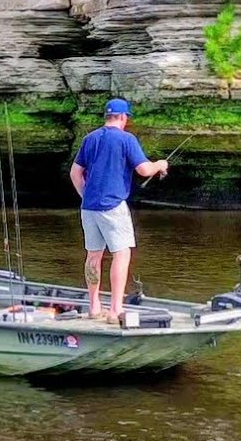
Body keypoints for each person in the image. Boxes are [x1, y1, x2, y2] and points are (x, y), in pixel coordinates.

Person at [69, 98, 169, 322]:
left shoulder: (90, 138)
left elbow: (75, 173)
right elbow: (144, 170)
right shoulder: (126, 139)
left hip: (89, 208)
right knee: (121, 254)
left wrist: (86, 196)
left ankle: (94, 308)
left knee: (93, 255)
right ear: (124, 117)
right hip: (113, 206)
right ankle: (115, 311)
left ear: (107, 116)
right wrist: (160, 165)